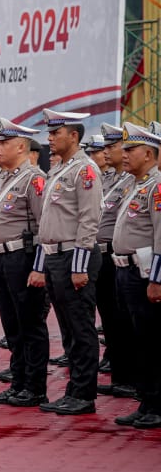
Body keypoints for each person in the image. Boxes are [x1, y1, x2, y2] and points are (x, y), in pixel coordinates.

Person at [29, 108, 104, 415]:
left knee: (81, 328)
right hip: (56, 256)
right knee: (69, 329)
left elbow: (89, 219)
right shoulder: (59, 169)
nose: (49, 138)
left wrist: (80, 266)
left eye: (55, 133)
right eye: (48, 133)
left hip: (75, 256)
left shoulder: (84, 170)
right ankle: (74, 389)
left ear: (73, 136)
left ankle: (84, 394)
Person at [0, 118, 49, 408]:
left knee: (29, 324)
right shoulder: (4, 177)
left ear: (21, 146)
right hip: (0, 257)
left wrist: (39, 267)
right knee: (11, 325)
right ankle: (19, 381)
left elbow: (44, 227)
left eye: (3, 143)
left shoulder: (34, 179)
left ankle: (34, 387)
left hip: (22, 257)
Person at [107, 123, 161, 428]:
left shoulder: (156, 187)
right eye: (124, 149)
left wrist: (157, 280)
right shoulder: (133, 185)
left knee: (151, 340)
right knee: (137, 339)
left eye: (130, 150)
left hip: (145, 276)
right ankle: (145, 400)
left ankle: (155, 404)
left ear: (149, 154)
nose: (123, 155)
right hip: (124, 271)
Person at [95, 122, 137, 399]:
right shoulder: (109, 179)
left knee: (125, 321)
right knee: (110, 319)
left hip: (119, 255)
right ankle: (120, 375)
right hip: (103, 254)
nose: (108, 151)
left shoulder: (134, 182)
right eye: (107, 147)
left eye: (113, 146)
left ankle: (131, 378)